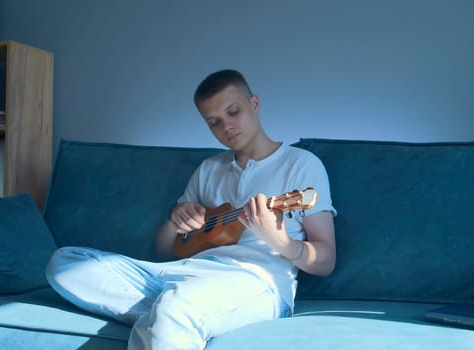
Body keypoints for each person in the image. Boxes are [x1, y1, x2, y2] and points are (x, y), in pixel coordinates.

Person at [45, 69, 337, 349]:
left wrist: (281, 242)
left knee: (175, 306)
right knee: (66, 263)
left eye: (233, 112)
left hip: (254, 280)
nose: (226, 127)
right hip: (180, 273)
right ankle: (175, 315)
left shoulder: (302, 164)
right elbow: (163, 252)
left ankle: (175, 313)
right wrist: (175, 221)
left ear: (255, 103)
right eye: (214, 122)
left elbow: (326, 261)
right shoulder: (208, 169)